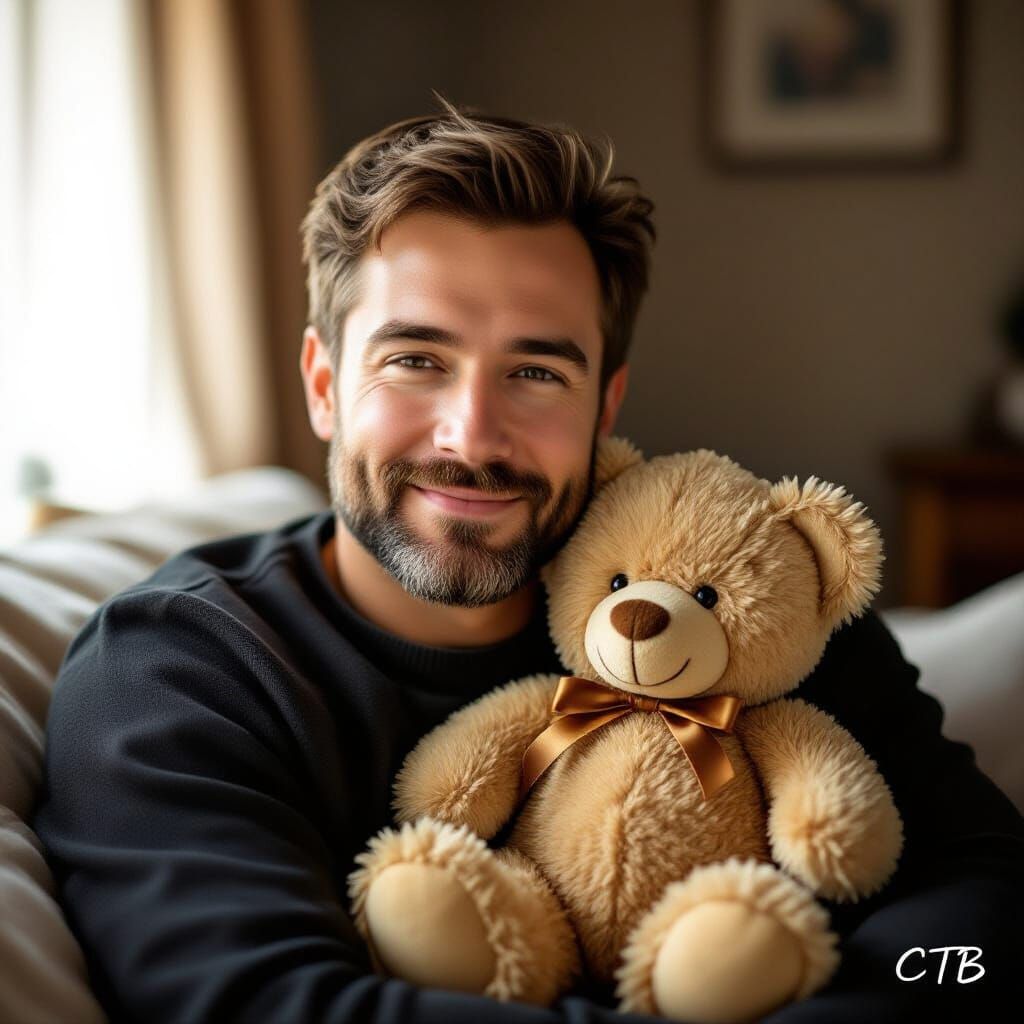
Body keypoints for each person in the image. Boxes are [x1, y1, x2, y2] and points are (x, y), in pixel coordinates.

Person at [33, 97, 1024, 1023]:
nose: (472, 434)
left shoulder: (744, 611)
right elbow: (264, 1003)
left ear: (605, 403)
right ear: (325, 384)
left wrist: (854, 985)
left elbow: (983, 910)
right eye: (415, 359)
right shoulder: (174, 672)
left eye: (535, 371)